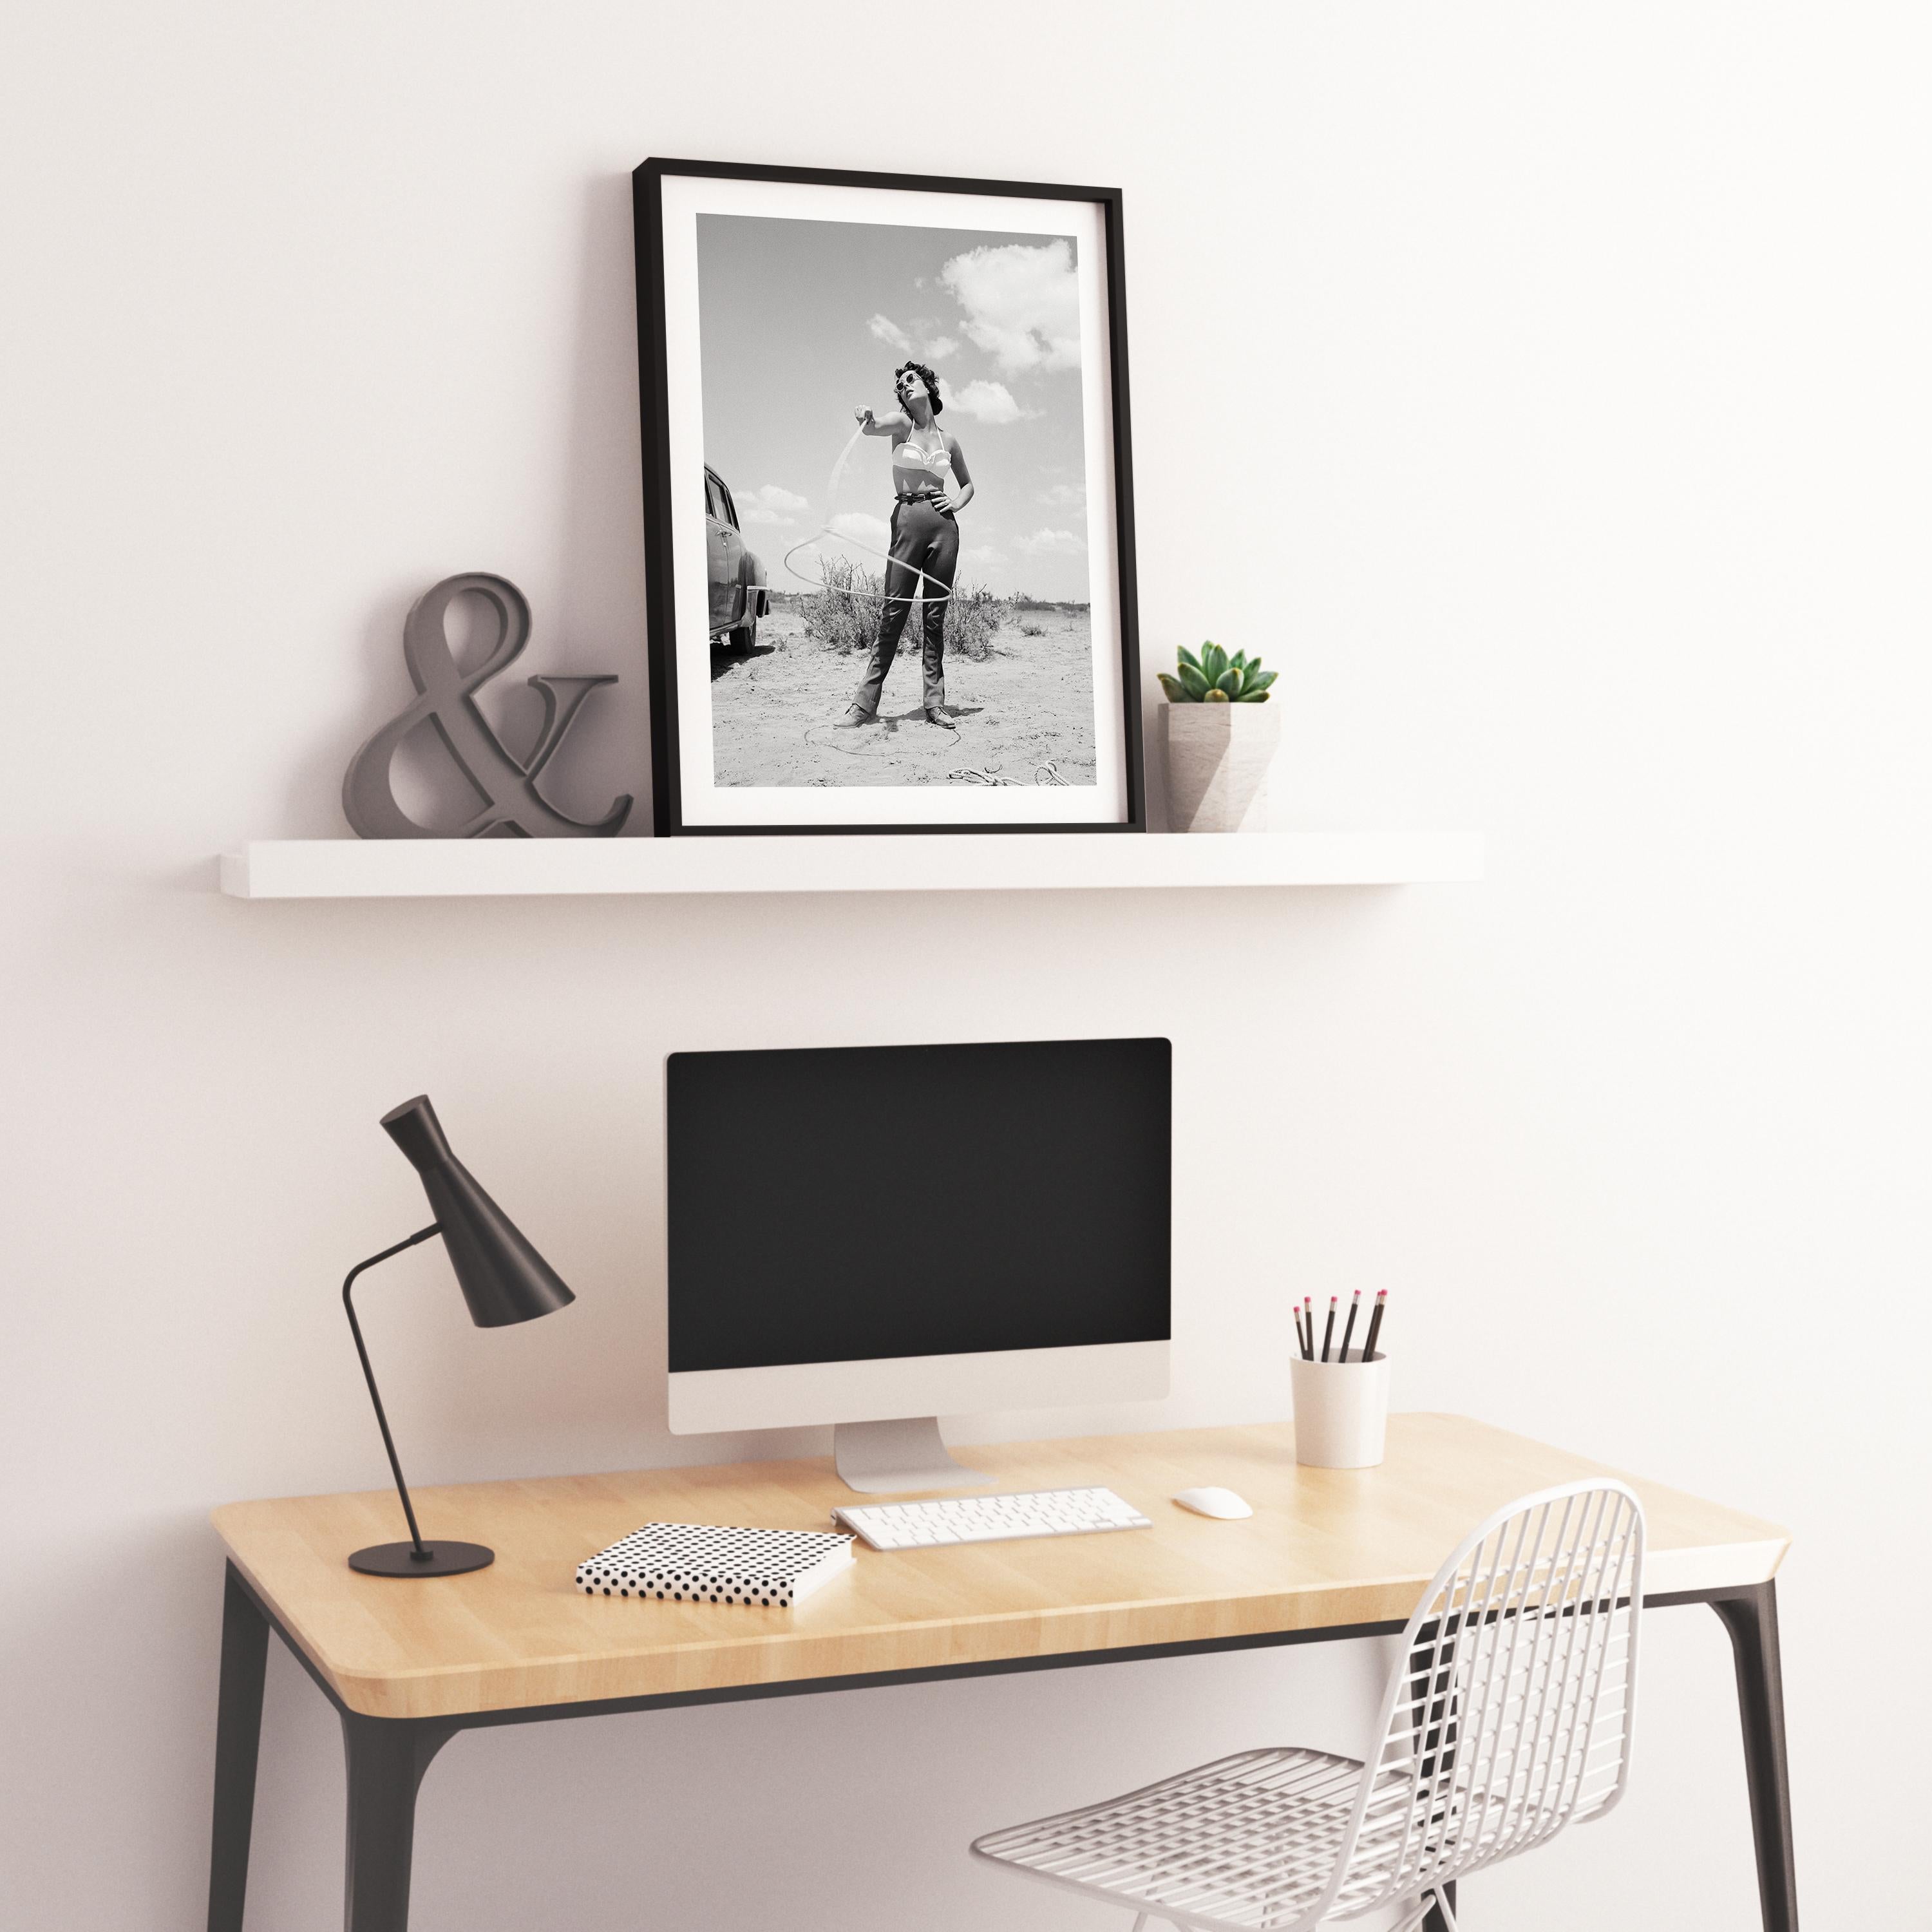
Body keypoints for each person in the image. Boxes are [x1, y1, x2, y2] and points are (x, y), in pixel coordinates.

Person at [839, 361, 974, 727]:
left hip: (944, 530)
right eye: (900, 384)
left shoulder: (950, 441)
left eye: (911, 379)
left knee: (934, 617)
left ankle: (935, 704)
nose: (905, 385)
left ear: (929, 387)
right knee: (893, 613)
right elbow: (872, 427)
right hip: (906, 522)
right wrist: (864, 415)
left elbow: (967, 485)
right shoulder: (902, 426)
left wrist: (956, 503)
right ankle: (864, 704)